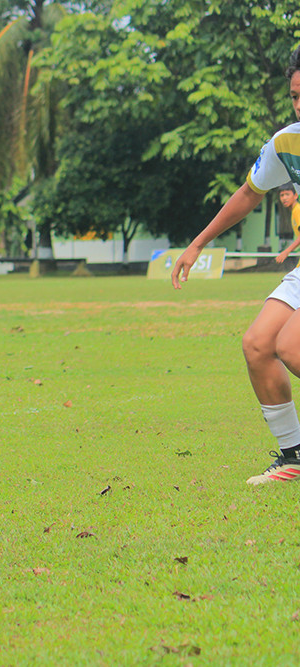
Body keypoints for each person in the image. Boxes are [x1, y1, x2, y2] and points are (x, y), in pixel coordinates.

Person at [172, 46, 300, 485]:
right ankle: (294, 457)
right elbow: (248, 194)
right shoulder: (285, 143)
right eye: (296, 96)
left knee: (292, 346)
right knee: (258, 345)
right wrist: (196, 244)